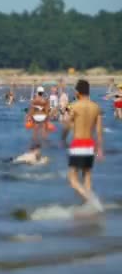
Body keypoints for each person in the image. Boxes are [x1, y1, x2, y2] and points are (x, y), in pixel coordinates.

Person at [61, 80, 104, 209]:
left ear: (77, 92)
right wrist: (100, 148)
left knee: (72, 179)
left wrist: (63, 138)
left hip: (78, 143)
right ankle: (87, 206)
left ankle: (91, 201)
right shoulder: (96, 107)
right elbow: (98, 130)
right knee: (87, 176)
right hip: (90, 144)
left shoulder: (74, 106)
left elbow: (67, 124)